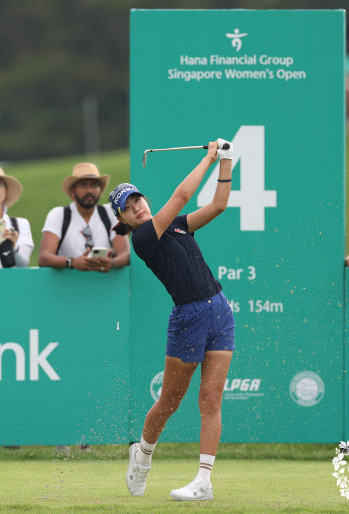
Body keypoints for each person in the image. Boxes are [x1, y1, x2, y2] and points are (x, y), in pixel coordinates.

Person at [115, 140, 234, 501]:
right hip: (189, 316)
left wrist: (226, 162)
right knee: (169, 401)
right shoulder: (144, 238)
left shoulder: (180, 227)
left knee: (211, 400)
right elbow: (182, 195)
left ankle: (204, 482)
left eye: (138, 199)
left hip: (219, 310)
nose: (137, 207)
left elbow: (218, 205)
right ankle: (143, 456)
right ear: (121, 219)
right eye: (128, 207)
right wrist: (209, 157)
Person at [39, 163, 130, 272]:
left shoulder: (110, 213)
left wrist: (110, 263)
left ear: (100, 191)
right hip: (67, 286)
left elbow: (125, 254)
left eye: (94, 185)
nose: (89, 191)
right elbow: (44, 258)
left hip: (104, 286)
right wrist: (72, 262)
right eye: (83, 185)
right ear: (73, 192)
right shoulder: (59, 215)